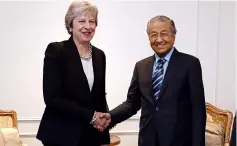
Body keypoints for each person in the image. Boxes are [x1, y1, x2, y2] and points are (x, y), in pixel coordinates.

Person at [99, 15, 207, 146]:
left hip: (179, 141)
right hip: (148, 140)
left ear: (174, 36)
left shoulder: (190, 64)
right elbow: (131, 103)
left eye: (164, 34)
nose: (159, 39)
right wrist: (110, 117)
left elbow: (198, 111)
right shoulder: (141, 66)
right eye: (153, 35)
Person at [36, 1, 110, 146]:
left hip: (91, 136)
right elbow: (52, 98)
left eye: (92, 21)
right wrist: (91, 116)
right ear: (71, 24)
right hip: (60, 134)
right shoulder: (56, 50)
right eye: (82, 21)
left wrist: (104, 134)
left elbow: (99, 97)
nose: (88, 26)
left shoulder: (99, 55)